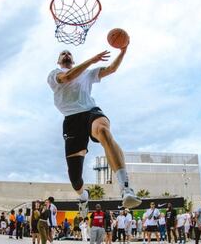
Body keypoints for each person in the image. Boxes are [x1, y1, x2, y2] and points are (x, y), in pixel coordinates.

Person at [47, 48, 141, 210]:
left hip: (91, 111)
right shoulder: (54, 74)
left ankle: (125, 188)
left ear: (74, 60)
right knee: (75, 178)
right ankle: (83, 196)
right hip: (72, 120)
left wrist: (123, 50)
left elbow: (111, 69)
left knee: (103, 131)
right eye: (63, 53)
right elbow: (68, 77)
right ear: (58, 61)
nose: (66, 54)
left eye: (69, 53)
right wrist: (91, 60)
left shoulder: (87, 74)